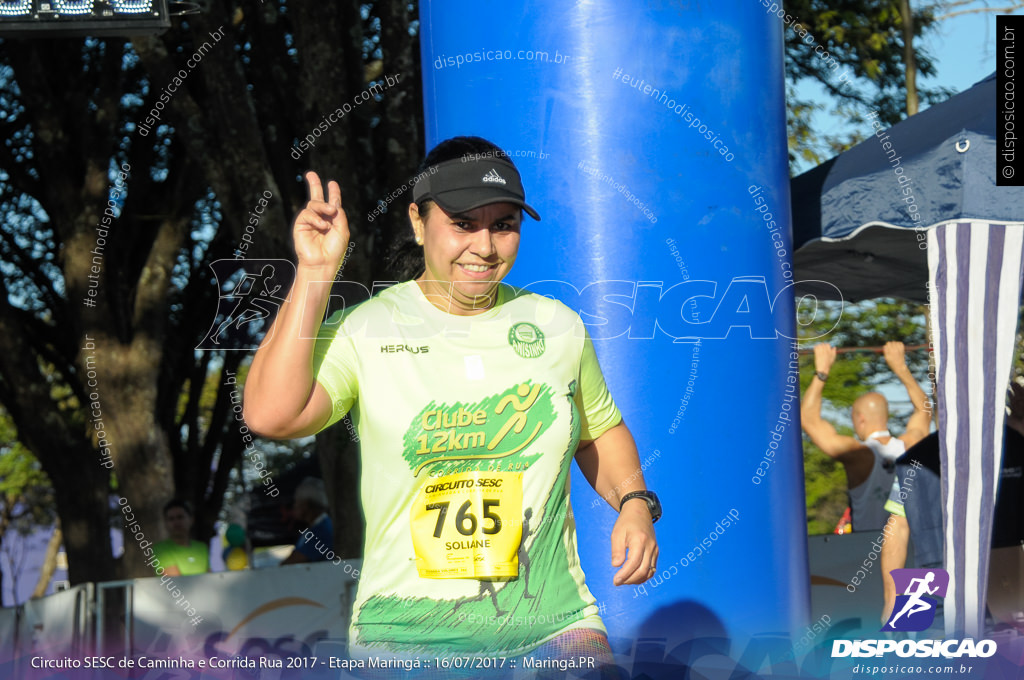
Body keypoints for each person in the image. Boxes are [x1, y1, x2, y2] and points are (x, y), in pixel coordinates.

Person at [244, 136, 660, 663]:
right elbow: (269, 415)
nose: (485, 247)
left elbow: (598, 430)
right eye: (463, 224)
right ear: (418, 222)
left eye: (504, 225)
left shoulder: (556, 326)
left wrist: (634, 502)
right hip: (405, 642)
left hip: (554, 634)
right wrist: (315, 272)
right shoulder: (366, 329)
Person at [880, 381, 1024, 625]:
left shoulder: (913, 460)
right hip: (993, 579)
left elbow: (896, 531)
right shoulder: (1010, 447)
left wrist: (892, 601)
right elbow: (897, 531)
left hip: (942, 580)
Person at [801, 341, 930, 532]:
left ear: (860, 419)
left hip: (866, 548)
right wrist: (900, 367)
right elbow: (924, 410)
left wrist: (822, 371)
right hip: (909, 547)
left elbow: (808, 419)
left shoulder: (858, 455)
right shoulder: (911, 445)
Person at [280, 477, 334, 565]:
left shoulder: (322, 530)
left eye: (297, 502)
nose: (294, 507)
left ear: (306, 505)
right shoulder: (315, 527)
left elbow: (295, 559)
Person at [152, 500, 209, 577]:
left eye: (180, 517)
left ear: (192, 520)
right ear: (165, 523)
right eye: (171, 519)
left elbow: (209, 579)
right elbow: (176, 582)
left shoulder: (202, 547)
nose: (176, 522)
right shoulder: (160, 549)